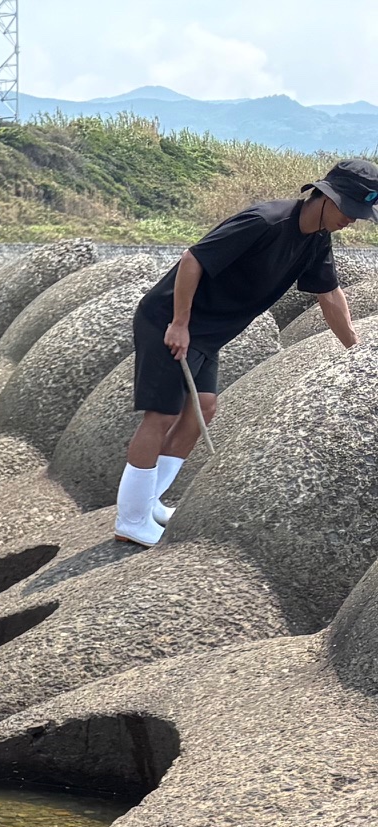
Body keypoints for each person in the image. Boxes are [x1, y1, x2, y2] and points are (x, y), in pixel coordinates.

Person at [115, 160, 374, 547]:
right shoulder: (265, 221)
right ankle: (130, 520)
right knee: (162, 414)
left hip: (209, 333)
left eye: (359, 214)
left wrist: (356, 350)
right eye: (349, 210)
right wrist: (180, 323)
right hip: (169, 320)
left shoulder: (317, 239)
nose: (351, 220)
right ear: (326, 196)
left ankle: (150, 501)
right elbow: (192, 259)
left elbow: (330, 295)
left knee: (203, 409)